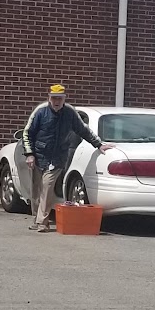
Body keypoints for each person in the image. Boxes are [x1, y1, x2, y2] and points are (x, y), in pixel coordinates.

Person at [22, 84, 104, 232]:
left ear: (64, 99)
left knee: (47, 187)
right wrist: (29, 154)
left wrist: (98, 144)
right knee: (36, 190)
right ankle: (36, 218)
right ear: (49, 98)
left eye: (59, 98)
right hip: (38, 156)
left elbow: (83, 129)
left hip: (58, 158)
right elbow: (28, 133)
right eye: (54, 98)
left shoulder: (70, 113)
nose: (57, 101)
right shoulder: (40, 111)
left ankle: (42, 222)